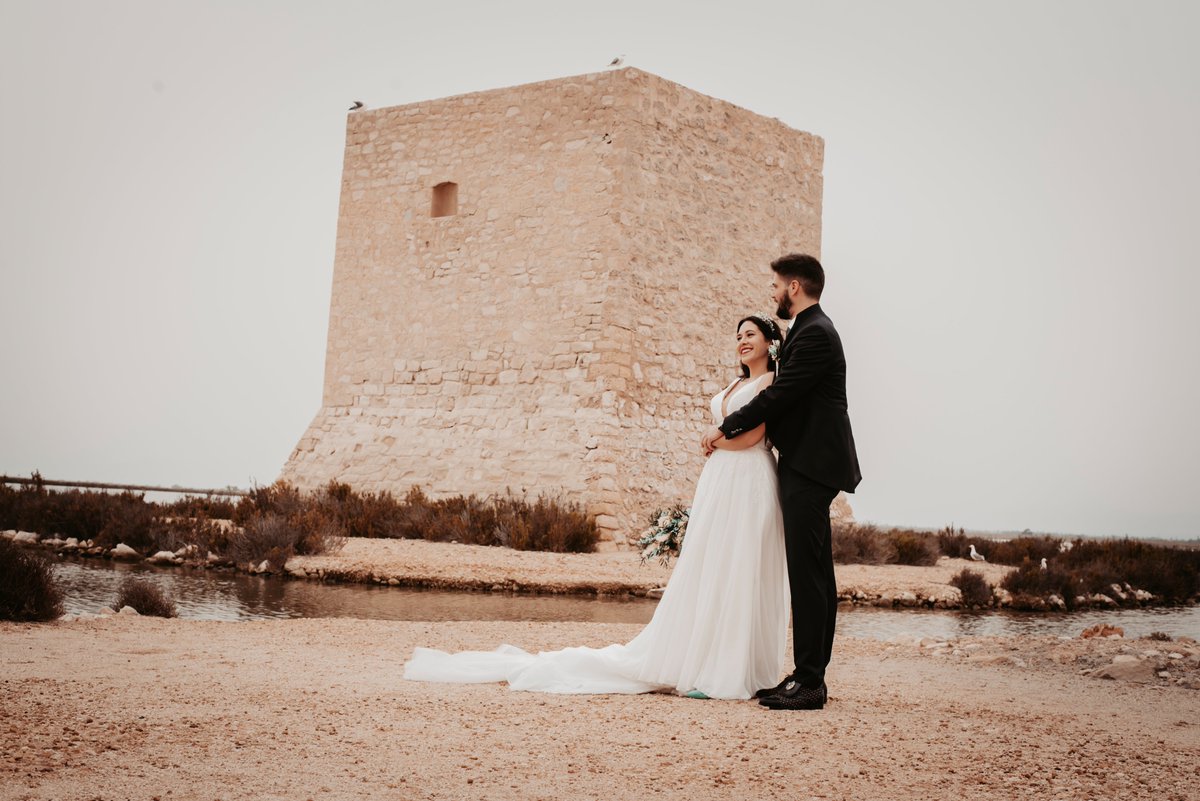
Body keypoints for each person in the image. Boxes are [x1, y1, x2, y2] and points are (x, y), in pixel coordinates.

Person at [403, 315, 790, 700]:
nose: (741, 341)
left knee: (741, 566)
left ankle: (731, 673)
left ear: (769, 342)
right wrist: (715, 443)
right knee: (712, 567)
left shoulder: (769, 382)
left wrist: (712, 441)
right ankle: (704, 660)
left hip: (748, 476)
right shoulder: (736, 383)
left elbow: (755, 434)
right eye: (738, 335)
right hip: (720, 480)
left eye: (750, 335)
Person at [702, 253, 861, 711]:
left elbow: (779, 396)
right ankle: (806, 675)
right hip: (807, 463)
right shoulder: (810, 331)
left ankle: (810, 682)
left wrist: (723, 428)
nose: (772, 294)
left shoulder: (815, 334)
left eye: (775, 286)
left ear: (794, 286)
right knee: (813, 573)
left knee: (808, 575)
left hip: (811, 466)